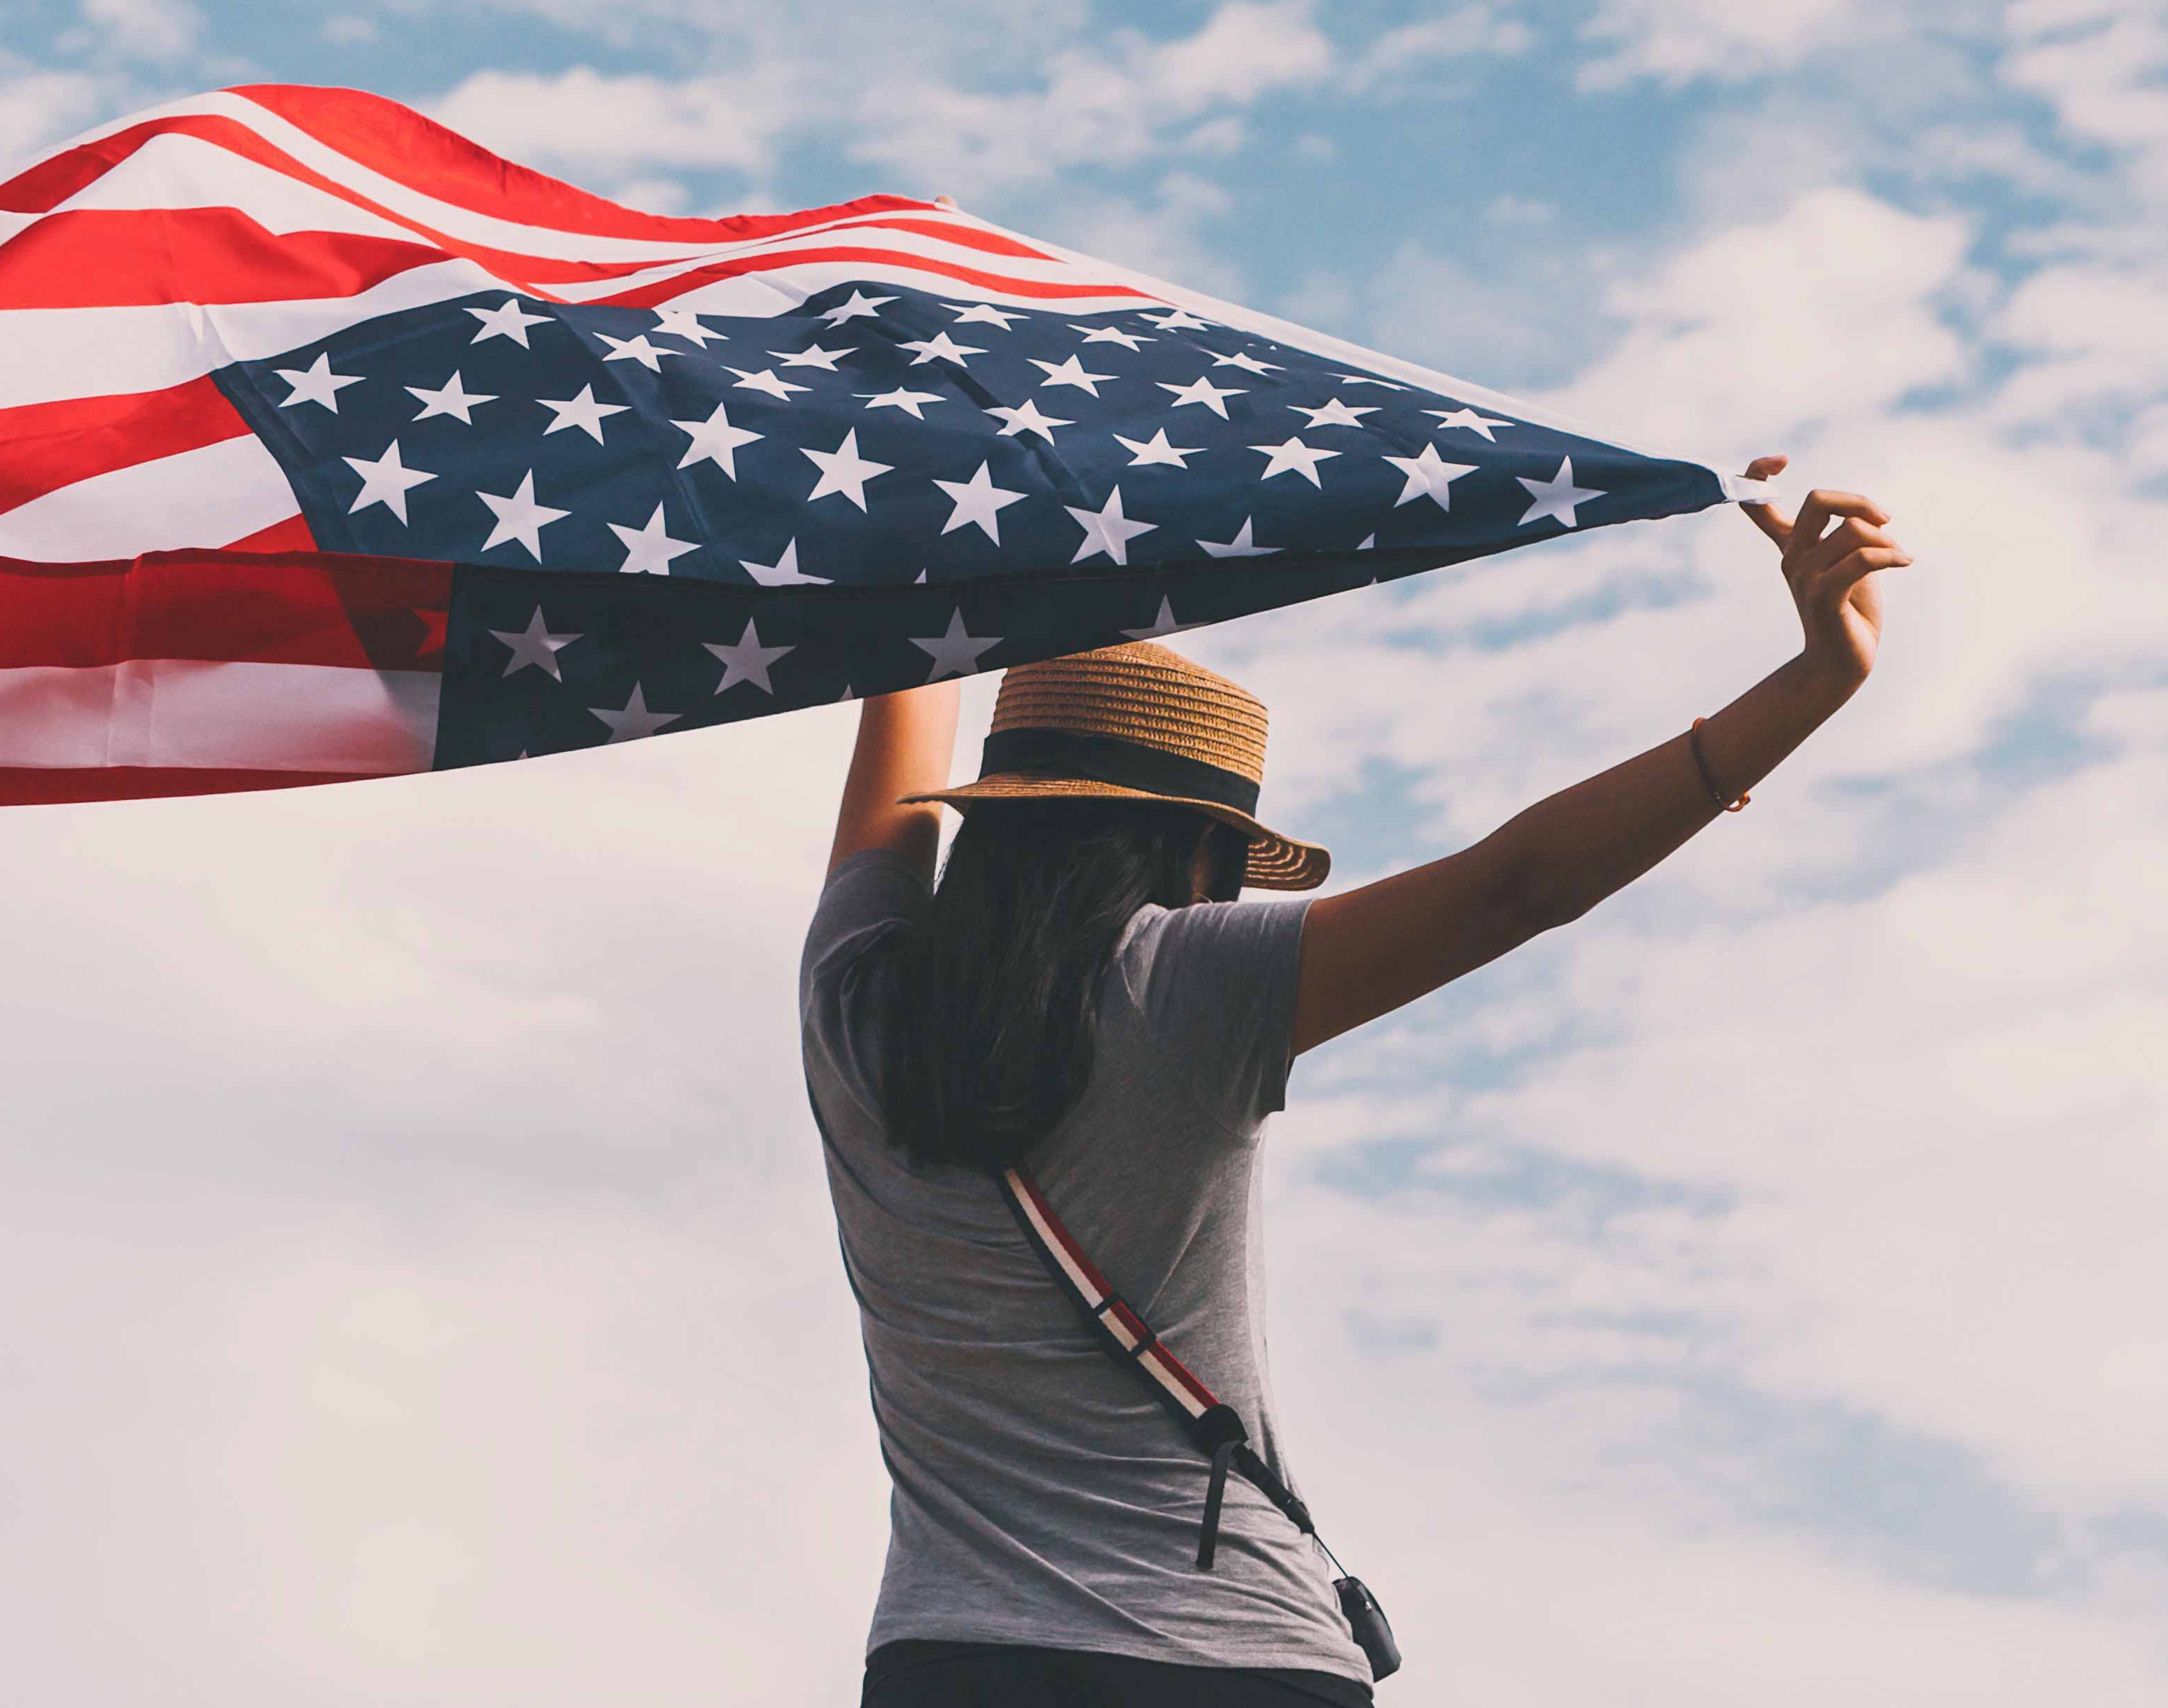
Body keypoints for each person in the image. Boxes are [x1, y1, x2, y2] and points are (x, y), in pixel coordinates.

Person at [804, 458, 1909, 1706]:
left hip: (946, 1663)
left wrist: (902, 523)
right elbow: (1518, 885)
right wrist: (1821, 678)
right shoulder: (1186, 983)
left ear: (994, 811)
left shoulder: (853, 992)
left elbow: (895, 731)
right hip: (1226, 1660)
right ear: (1202, 849)